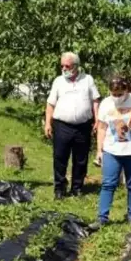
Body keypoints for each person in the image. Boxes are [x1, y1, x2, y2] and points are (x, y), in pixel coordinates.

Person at [92, 77, 131, 228]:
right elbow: (102, 128)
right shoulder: (105, 104)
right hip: (112, 149)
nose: (117, 97)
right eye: (114, 94)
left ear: (127, 90)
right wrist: (99, 150)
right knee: (108, 184)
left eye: (120, 94)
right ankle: (102, 218)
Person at [45, 52, 100, 200]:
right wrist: (47, 124)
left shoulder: (88, 80)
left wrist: (97, 120)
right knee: (60, 157)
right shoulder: (58, 81)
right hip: (62, 125)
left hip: (83, 126)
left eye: (67, 66)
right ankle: (59, 188)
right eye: (62, 66)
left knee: (81, 159)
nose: (64, 68)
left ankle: (77, 188)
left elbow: (95, 101)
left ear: (76, 66)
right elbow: (50, 103)